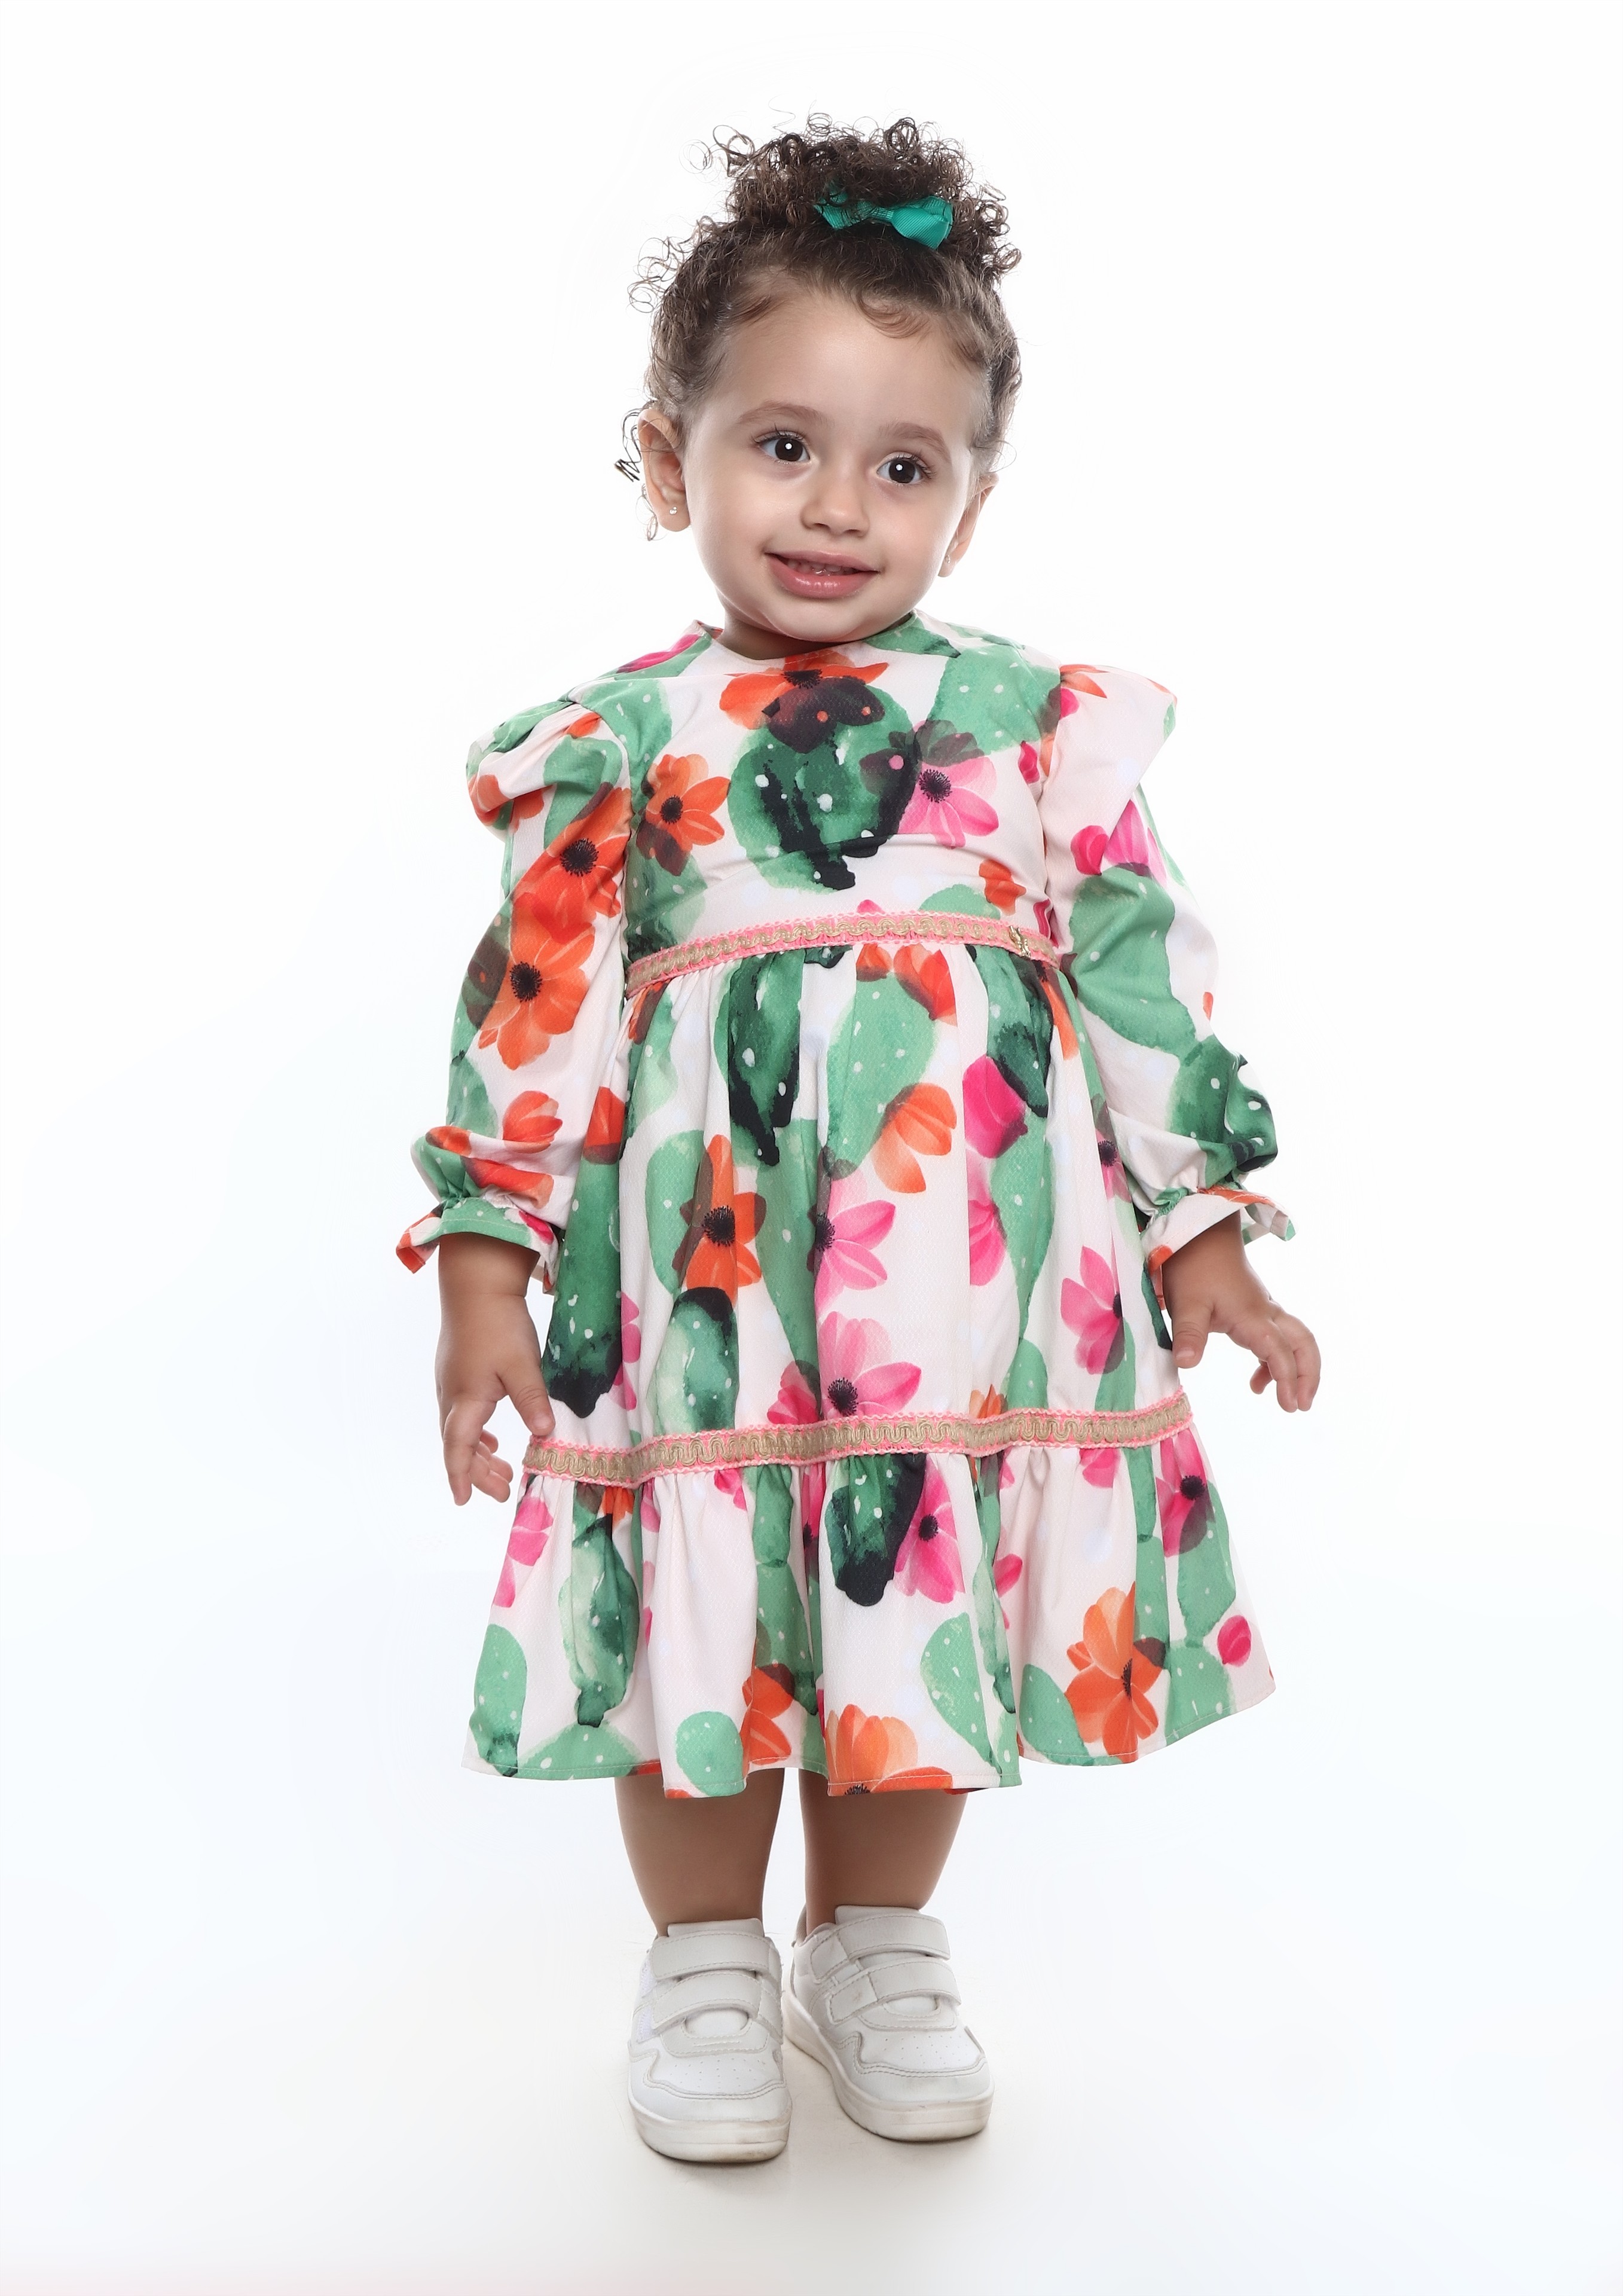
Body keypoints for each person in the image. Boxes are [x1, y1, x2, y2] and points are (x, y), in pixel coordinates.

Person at [399, 116, 1321, 2164]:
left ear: (969, 507)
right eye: (782, 446)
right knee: (712, 1601)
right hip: (705, 1286)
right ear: (670, 463)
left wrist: (1206, 1238)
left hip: (965, 1299)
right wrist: (481, 1267)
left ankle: (874, 1947)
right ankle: (705, 1957)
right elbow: (533, 1010)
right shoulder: (617, 742)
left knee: (913, 1596)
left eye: (904, 468)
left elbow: (1138, 986)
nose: (837, 506)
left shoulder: (1034, 728)